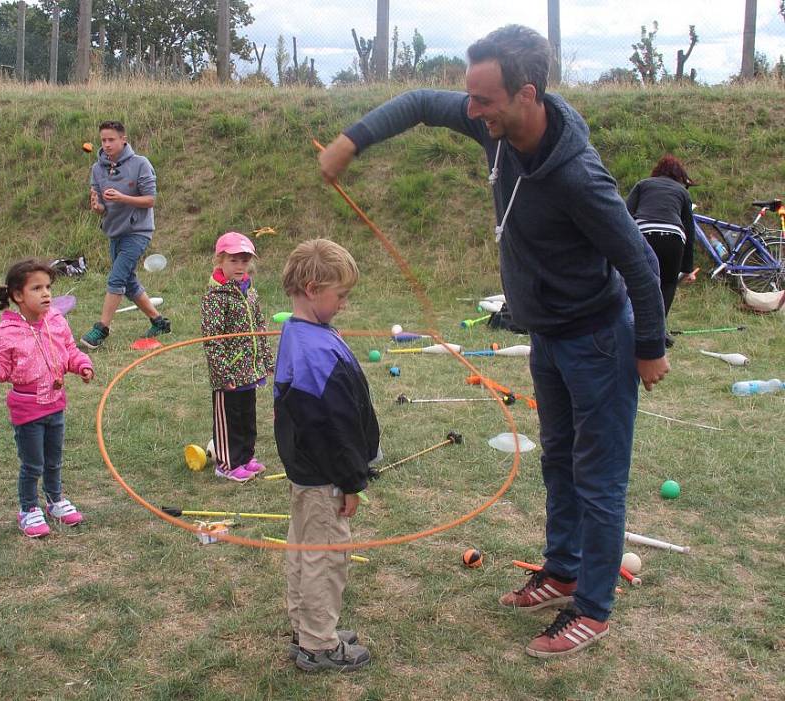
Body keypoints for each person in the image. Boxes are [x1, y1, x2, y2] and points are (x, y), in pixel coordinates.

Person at [319, 25, 670, 659]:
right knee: (557, 461)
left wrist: (650, 345)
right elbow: (422, 103)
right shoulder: (495, 126)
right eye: (471, 98)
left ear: (527, 94)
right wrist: (351, 141)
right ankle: (561, 570)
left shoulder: (579, 179)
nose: (473, 112)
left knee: (598, 479)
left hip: (598, 340)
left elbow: (641, 262)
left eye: (484, 101)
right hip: (551, 337)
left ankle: (592, 607)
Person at [274, 239, 379, 672]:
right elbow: (332, 427)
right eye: (341, 296)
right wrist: (352, 480)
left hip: (308, 471)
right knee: (326, 555)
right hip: (325, 475)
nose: (343, 304)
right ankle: (319, 643)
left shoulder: (303, 334)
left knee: (305, 548)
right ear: (314, 288)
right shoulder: (316, 352)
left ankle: (307, 626)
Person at [0, 259, 94, 538]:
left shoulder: (56, 321)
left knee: (54, 460)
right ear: (18, 296)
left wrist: (81, 364)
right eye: (37, 288)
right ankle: (28, 509)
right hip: (27, 410)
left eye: (47, 287)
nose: (46, 293)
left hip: (55, 404)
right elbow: (2, 372)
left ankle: (55, 501)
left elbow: (68, 350)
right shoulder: (5, 333)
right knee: (33, 463)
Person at [81, 120, 170, 349]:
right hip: (114, 231)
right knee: (129, 282)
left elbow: (150, 200)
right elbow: (100, 206)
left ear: (124, 140)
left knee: (117, 278)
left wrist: (122, 198)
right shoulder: (97, 169)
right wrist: (97, 206)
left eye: (112, 139)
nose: (107, 144)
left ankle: (101, 329)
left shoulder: (140, 164)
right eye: (104, 140)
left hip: (138, 231)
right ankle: (159, 322)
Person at [200, 232, 274, 482]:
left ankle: (245, 456)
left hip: (249, 369)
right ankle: (226, 463)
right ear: (219, 261)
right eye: (233, 261)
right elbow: (213, 340)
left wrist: (266, 360)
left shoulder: (249, 292)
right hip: (228, 373)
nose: (240, 266)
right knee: (228, 418)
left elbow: (260, 327)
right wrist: (223, 374)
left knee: (246, 416)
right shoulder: (216, 297)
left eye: (244, 260)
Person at [626, 155, 697, 348]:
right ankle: (658, 332)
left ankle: (630, 326)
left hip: (644, 234)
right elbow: (689, 230)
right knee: (667, 283)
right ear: (679, 177)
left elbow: (624, 214)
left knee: (636, 281)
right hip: (673, 238)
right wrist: (687, 267)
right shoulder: (682, 192)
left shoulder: (643, 185)